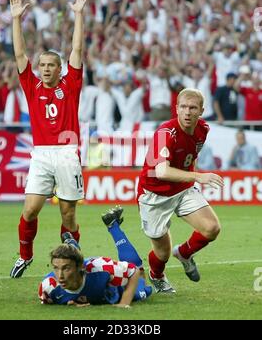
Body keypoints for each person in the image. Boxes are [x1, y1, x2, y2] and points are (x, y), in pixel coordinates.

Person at [9, 0, 89, 278]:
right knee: (30, 210)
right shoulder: (31, 86)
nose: (44, 69)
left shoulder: (70, 85)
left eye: (50, 65)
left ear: (59, 69)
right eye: (41, 65)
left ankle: (74, 261)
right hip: (41, 154)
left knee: (68, 213)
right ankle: (24, 255)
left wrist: (79, 15)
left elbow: (77, 50)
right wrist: (16, 20)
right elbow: (19, 54)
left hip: (67, 153)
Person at [137, 88, 224, 293]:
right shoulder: (164, 133)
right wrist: (198, 176)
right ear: (176, 108)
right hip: (154, 194)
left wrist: (191, 176)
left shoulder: (203, 129)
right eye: (183, 107)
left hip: (183, 189)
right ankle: (156, 275)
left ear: (201, 111)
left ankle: (184, 253)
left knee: (212, 228)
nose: (187, 112)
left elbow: (190, 154)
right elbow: (162, 171)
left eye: (193, 108)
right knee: (162, 254)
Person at [38, 206, 152, 307]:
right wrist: (70, 302)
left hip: (108, 281)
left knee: (140, 280)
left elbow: (133, 271)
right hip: (81, 268)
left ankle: (113, 226)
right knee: (70, 259)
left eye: (65, 269)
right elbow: (56, 297)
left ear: (80, 268)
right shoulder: (49, 287)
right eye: (56, 268)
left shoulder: (102, 269)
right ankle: (71, 244)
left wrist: (124, 303)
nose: (60, 276)